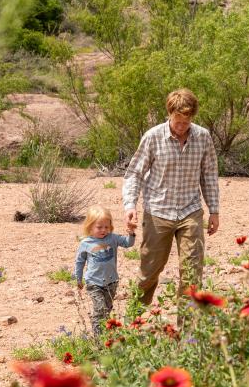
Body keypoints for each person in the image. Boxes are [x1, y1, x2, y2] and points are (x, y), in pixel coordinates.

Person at [123, 88, 220, 307]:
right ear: (170, 114)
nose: (181, 127)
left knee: (192, 274)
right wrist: (130, 205)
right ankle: (132, 323)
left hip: (190, 211)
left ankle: (187, 337)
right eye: (178, 121)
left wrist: (214, 210)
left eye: (186, 122)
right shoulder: (153, 137)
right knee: (149, 272)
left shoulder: (203, 137)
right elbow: (134, 173)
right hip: (158, 212)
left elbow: (209, 175)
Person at [74, 206, 136, 338]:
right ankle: (98, 340)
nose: (103, 230)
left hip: (111, 281)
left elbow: (128, 243)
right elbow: (80, 262)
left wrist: (131, 233)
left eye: (106, 227)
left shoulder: (113, 238)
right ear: (90, 227)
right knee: (99, 309)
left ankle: (105, 336)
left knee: (107, 310)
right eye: (99, 227)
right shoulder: (86, 243)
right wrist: (78, 278)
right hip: (94, 283)